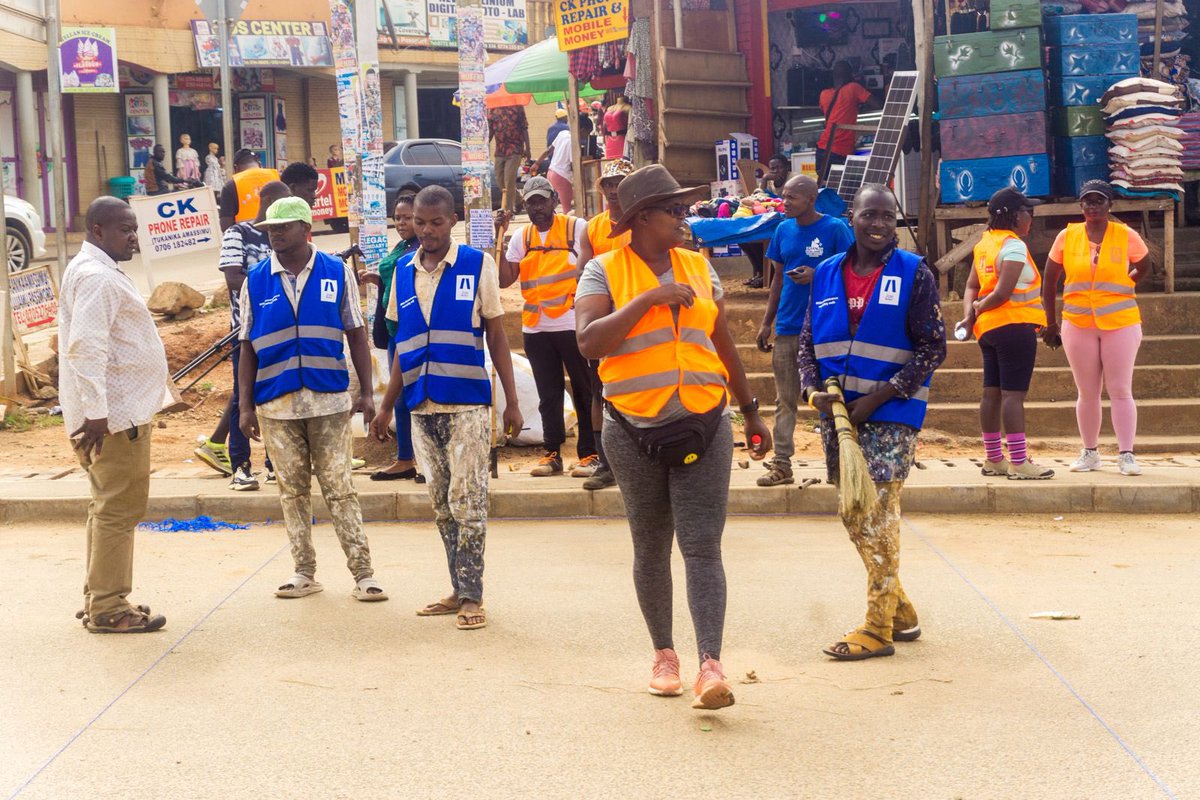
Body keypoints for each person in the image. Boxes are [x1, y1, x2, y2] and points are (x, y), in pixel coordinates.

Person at [575, 165, 772, 710]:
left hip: (707, 420)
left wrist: (750, 411)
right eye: (673, 210)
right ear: (639, 219)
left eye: (684, 209)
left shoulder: (700, 269)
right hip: (632, 429)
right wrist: (648, 300)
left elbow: (722, 340)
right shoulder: (603, 271)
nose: (684, 219)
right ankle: (664, 655)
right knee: (652, 545)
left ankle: (711, 664)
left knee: (703, 545)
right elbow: (590, 342)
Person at [800, 184, 946, 661]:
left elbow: (933, 348)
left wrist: (883, 395)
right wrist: (812, 391)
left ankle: (878, 628)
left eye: (888, 216)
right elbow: (807, 345)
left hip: (891, 414)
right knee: (854, 513)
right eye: (870, 215)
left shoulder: (913, 273)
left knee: (879, 516)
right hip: (840, 417)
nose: (879, 224)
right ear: (852, 217)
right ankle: (901, 610)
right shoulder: (826, 274)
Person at [370, 186, 523, 632]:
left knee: (468, 500)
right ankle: (457, 587)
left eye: (436, 222)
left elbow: (496, 335)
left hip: (467, 404)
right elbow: (403, 345)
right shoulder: (401, 271)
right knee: (440, 503)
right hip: (420, 406)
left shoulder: (477, 265)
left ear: (452, 219)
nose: (427, 231)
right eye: (419, 222)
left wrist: (510, 401)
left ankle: (473, 595)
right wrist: (385, 406)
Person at [237, 197, 387, 602]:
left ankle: (364, 574)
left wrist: (367, 393)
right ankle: (304, 572)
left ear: (306, 230)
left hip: (329, 401)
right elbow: (247, 346)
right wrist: (245, 406)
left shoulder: (335, 272)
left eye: (283, 228)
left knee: (340, 488)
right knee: (292, 491)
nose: (275, 234)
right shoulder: (256, 280)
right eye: (270, 228)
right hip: (276, 405)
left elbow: (357, 332)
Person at [60, 197, 170, 633]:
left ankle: (98, 596)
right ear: (97, 230)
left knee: (105, 508)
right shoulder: (97, 279)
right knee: (118, 511)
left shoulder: (92, 271)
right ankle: (108, 606)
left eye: (135, 227)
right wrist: (98, 414)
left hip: (112, 415)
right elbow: (86, 347)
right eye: (125, 228)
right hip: (114, 420)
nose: (133, 236)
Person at [1042, 179, 1151, 476]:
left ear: (1109, 205)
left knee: (1120, 390)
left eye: (1099, 201)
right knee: (1087, 391)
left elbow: (1144, 267)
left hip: (1120, 323)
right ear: (1081, 206)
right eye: (1088, 201)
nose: (1093, 206)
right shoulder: (1067, 236)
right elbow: (1049, 281)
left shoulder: (1125, 235)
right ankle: (1090, 452)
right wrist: (1050, 323)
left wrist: (1127, 282)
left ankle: (1126, 454)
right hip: (1078, 323)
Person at [754, 174, 854, 487]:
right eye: (783, 197)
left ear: (810, 199)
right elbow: (777, 281)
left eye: (791, 198)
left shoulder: (836, 229)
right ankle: (782, 464)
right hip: (788, 326)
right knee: (785, 399)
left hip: (828, 328)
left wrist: (818, 274)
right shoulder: (783, 230)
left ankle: (842, 465)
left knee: (834, 396)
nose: (784, 203)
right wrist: (766, 323)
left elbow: (855, 272)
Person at [194, 181, 293, 490]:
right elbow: (234, 278)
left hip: (282, 333)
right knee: (243, 397)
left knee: (278, 395)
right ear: (265, 201)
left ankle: (273, 463)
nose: (280, 216)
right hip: (247, 332)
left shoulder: (287, 233)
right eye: (278, 205)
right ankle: (241, 466)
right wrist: (273, 290)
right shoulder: (239, 233)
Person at [499, 176, 596, 477]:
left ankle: (590, 453)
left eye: (542, 200)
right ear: (525, 206)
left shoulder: (575, 228)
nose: (538, 207)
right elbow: (504, 280)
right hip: (536, 327)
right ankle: (552, 453)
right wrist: (498, 234)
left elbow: (590, 266)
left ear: (554, 200)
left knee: (584, 390)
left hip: (571, 322)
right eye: (531, 203)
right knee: (548, 394)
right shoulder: (521, 238)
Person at [957, 188, 1053, 480]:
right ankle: (1020, 461)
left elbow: (971, 285)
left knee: (992, 393)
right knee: (1014, 395)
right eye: (1028, 212)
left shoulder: (986, 244)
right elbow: (1001, 293)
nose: (1031, 218)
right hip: (1015, 326)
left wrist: (971, 315)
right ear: (1013, 215)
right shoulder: (1013, 246)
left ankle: (994, 458)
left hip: (988, 330)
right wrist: (979, 307)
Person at [578, 158, 635, 490]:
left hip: (635, 317)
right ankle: (605, 464)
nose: (613, 191)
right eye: (609, 185)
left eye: (619, 184)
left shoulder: (639, 222)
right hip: (602, 318)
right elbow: (584, 269)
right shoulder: (594, 227)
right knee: (599, 394)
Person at [368, 188, 421, 481]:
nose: (401, 223)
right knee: (397, 392)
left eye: (408, 218)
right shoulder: (400, 248)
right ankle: (405, 458)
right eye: (397, 218)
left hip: (410, 328)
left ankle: (417, 459)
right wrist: (377, 280)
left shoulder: (421, 249)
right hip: (392, 327)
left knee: (409, 393)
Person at [816, 61, 882, 183]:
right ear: (850, 75)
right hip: (840, 150)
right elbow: (878, 104)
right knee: (842, 190)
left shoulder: (823, 94)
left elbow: (832, 113)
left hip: (822, 150)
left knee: (826, 190)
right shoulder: (853, 87)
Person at [742, 155, 792, 289]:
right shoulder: (769, 181)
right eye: (772, 169)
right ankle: (760, 272)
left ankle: (768, 275)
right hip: (771, 218)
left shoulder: (792, 179)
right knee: (745, 238)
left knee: (763, 237)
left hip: (787, 219)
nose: (776, 172)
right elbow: (757, 197)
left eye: (779, 167)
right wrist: (764, 179)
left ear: (787, 168)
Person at [536, 114, 591, 215]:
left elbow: (549, 150)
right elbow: (572, 165)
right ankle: (567, 228)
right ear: (582, 130)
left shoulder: (563, 133)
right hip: (562, 177)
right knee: (567, 210)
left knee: (552, 205)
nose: (587, 137)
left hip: (551, 172)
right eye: (588, 133)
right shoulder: (574, 143)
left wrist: (537, 163)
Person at [218, 149, 280, 230]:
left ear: (235, 168)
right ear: (259, 164)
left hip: (247, 240)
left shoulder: (231, 186)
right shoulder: (277, 177)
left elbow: (225, 226)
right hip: (277, 238)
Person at [487, 103, 531, 215]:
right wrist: (484, 145)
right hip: (500, 150)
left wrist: (528, 149)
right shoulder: (492, 109)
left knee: (509, 180)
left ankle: (508, 211)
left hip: (515, 150)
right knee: (500, 181)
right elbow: (491, 130)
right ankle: (519, 199)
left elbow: (524, 129)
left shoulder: (518, 107)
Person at [603, 95, 632, 159]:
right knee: (609, 162)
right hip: (610, 139)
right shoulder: (609, 108)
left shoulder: (628, 108)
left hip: (622, 139)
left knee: (622, 161)